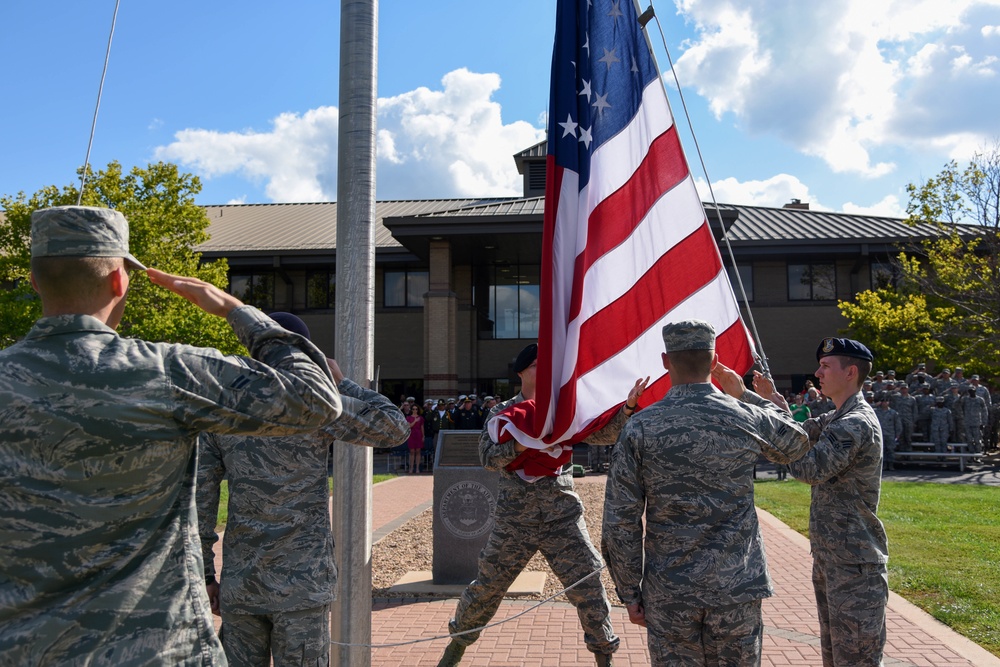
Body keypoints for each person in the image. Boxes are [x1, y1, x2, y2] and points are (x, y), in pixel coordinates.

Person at [0, 206, 344, 664]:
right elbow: (316, 399)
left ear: (34, 281)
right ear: (120, 281)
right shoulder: (166, 372)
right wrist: (237, 310)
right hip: (156, 649)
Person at [197, 312, 408, 666]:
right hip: (303, 587)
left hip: (243, 585)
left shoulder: (226, 405)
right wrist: (342, 383)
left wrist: (204, 575)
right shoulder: (315, 403)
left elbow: (200, 504)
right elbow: (394, 428)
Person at [602, 320, 810, 666]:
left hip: (670, 591)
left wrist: (629, 591)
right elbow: (797, 441)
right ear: (714, 362)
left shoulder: (640, 427)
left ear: (666, 361)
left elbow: (620, 520)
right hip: (735, 587)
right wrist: (745, 394)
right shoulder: (744, 415)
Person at [437, 343, 649, 667]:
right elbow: (488, 459)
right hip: (515, 522)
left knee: (589, 584)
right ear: (521, 371)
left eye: (547, 364)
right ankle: (455, 651)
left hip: (561, 518)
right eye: (536, 364)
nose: (543, 370)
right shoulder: (503, 414)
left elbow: (602, 434)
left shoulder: (563, 410)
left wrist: (629, 408)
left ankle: (604, 656)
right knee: (486, 588)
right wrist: (521, 441)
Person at [787, 337, 889, 667]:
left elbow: (807, 468)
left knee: (856, 660)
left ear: (851, 372)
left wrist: (780, 445)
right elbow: (797, 430)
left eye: (826, 366)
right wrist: (751, 396)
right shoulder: (836, 417)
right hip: (834, 559)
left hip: (855, 567)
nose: (817, 372)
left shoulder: (854, 423)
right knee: (835, 658)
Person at [404, 400, 426, 473]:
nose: (415, 410)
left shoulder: (421, 418)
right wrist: (415, 421)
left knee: (418, 451)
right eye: (413, 409)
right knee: (412, 451)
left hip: (418, 435)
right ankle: (411, 467)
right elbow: (409, 426)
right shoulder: (408, 418)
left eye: (416, 409)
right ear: (411, 410)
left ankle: (417, 468)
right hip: (411, 435)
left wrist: (423, 436)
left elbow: (422, 427)